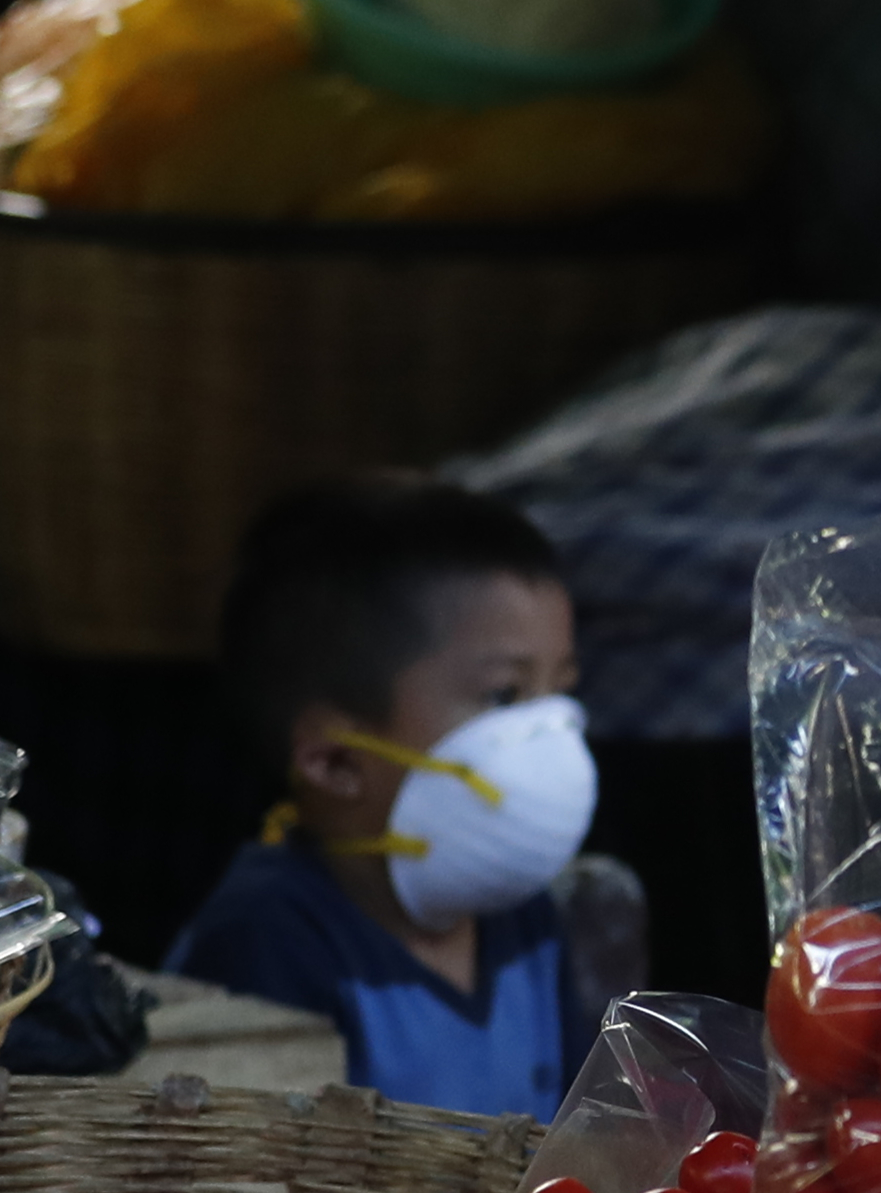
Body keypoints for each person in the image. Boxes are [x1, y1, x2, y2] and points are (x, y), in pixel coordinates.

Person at [169, 476, 602, 1118]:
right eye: (505, 696)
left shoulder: (524, 911)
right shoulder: (265, 944)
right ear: (337, 760)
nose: (550, 732)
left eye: (559, 689)